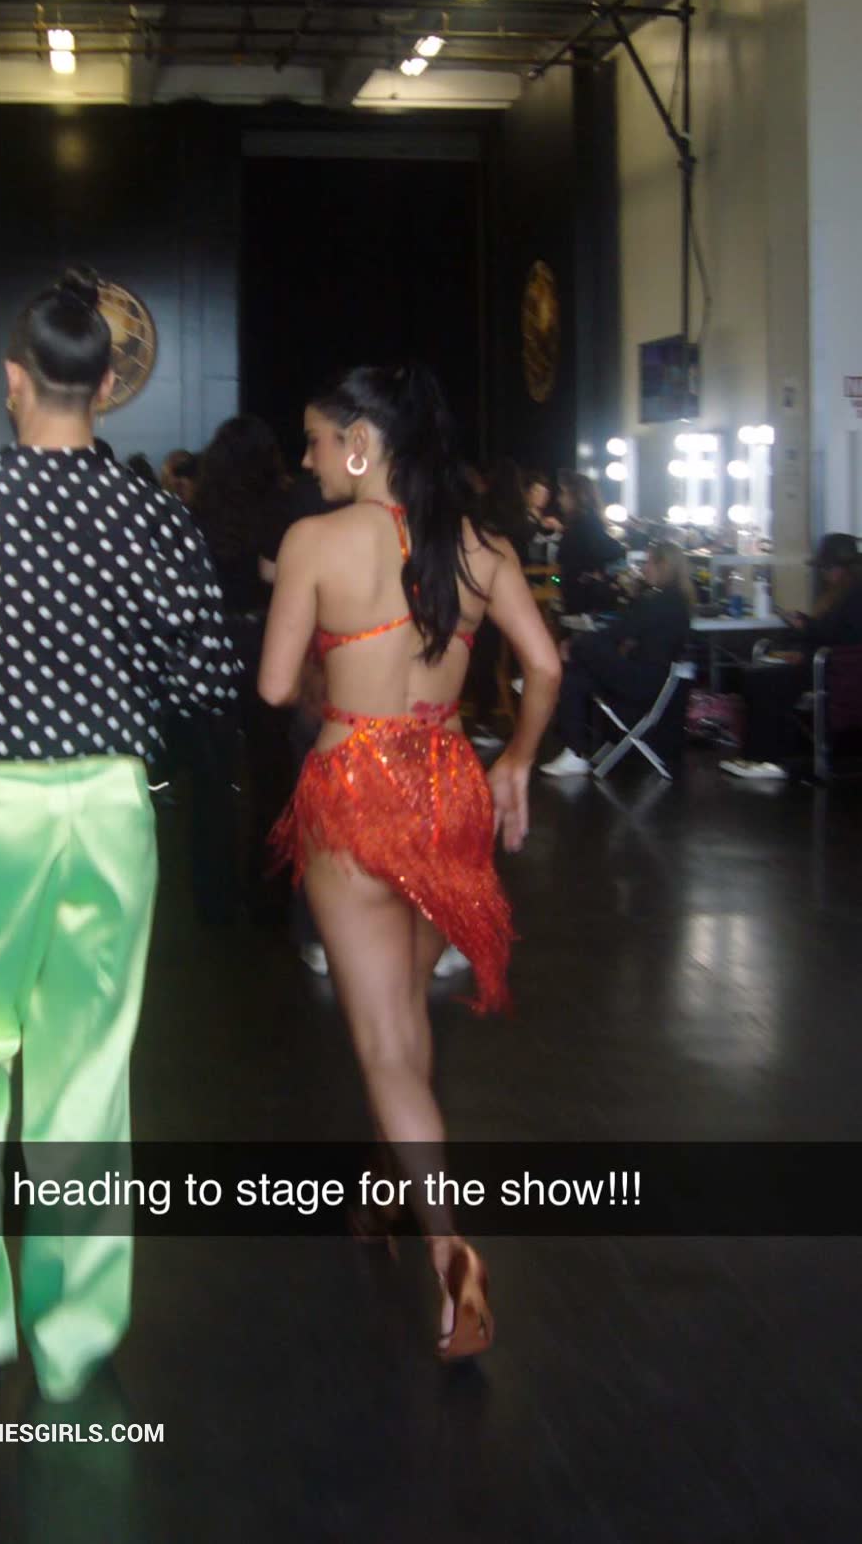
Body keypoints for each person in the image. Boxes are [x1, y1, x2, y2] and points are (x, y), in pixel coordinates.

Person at [0, 271, 237, 1415]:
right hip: (111, 809)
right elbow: (209, 677)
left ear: (13, 380)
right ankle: (74, 1341)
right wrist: (121, 708)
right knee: (87, 1074)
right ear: (107, 386)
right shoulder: (152, 517)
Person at [258, 363, 560, 1360]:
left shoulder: (314, 541)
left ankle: (450, 1253)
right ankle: (383, 1194)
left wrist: (325, 659)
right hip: (447, 791)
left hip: (353, 790)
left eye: (317, 439)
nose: (308, 458)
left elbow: (273, 688)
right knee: (406, 1020)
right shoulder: (480, 546)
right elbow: (544, 664)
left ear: (360, 443)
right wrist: (516, 759)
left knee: (386, 1043)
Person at [181, 415, 293, 924]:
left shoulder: (197, 514)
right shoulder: (281, 511)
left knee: (211, 777)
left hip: (208, 645)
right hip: (267, 640)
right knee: (273, 773)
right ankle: (270, 892)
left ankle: (214, 897)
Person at [540, 541, 694, 776]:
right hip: (657, 681)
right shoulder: (679, 602)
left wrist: (575, 644)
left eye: (649, 563)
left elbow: (618, 632)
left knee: (585, 647)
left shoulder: (656, 603)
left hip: (642, 682)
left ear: (662, 566)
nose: (644, 568)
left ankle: (573, 746)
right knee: (576, 676)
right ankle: (573, 751)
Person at [720, 533, 862, 781]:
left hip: (832, 669)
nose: (824, 575)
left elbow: (837, 637)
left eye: (827, 569)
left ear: (840, 569)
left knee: (761, 680)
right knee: (760, 677)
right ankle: (764, 755)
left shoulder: (851, 598)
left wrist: (804, 628)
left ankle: (764, 756)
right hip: (830, 665)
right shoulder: (846, 594)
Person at [555, 468, 625, 613]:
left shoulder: (582, 527)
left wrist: (592, 576)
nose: (559, 499)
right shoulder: (588, 524)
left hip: (584, 602)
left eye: (564, 493)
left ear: (576, 497)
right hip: (585, 597)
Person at [523, 468, 562, 555]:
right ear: (528, 492)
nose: (542, 496)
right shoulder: (523, 518)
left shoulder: (550, 518)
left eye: (545, 493)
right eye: (537, 491)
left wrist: (559, 528)